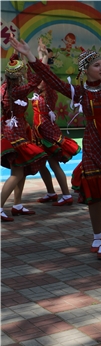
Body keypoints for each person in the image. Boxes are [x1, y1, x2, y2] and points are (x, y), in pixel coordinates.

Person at [13, 25, 101, 260]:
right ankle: (96, 235)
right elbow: (51, 78)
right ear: (85, 70)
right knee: (94, 195)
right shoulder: (80, 93)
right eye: (96, 65)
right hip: (93, 146)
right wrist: (31, 56)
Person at [0, 54, 47, 222]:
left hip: (13, 130)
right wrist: (33, 63)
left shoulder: (4, 87)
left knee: (21, 170)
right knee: (17, 172)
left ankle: (17, 205)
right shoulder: (17, 90)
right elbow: (36, 81)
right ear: (18, 75)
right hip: (16, 133)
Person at [33, 43, 80, 206]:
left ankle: (66, 195)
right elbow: (40, 72)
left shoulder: (48, 91)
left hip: (47, 130)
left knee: (53, 163)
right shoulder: (38, 92)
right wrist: (41, 54)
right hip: (39, 131)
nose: (34, 81)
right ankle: (51, 192)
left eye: (39, 81)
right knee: (40, 163)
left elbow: (42, 72)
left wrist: (43, 56)